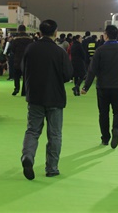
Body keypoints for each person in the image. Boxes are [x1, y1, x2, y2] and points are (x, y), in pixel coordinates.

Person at [20, 19, 72, 180]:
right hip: (55, 97)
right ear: (55, 32)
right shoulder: (59, 52)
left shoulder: (30, 49)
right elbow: (68, 74)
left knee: (32, 130)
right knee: (55, 134)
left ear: (40, 32)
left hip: (35, 96)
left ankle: (27, 156)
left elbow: (23, 69)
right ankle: (52, 168)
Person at [81, 25, 118, 149]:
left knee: (103, 113)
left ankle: (105, 138)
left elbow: (92, 70)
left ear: (105, 35)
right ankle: (116, 128)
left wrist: (85, 87)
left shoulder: (100, 50)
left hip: (102, 87)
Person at [9, 25, 33, 96]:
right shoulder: (30, 39)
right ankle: (24, 91)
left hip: (17, 60)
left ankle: (16, 88)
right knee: (26, 76)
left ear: (18, 30)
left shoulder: (15, 39)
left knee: (16, 75)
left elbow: (12, 49)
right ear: (25, 30)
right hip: (27, 60)